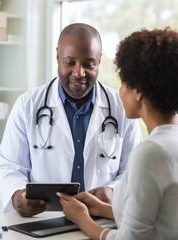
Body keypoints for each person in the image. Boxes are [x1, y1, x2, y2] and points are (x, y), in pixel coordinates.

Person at [0, 23, 142, 217]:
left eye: (89, 64)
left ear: (99, 60)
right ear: (57, 56)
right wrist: (16, 195)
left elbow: (133, 169)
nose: (78, 73)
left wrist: (112, 191)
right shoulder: (28, 105)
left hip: (100, 221)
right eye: (70, 62)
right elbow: (10, 165)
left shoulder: (122, 107)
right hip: (43, 220)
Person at [58, 27, 178, 240]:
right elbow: (156, 219)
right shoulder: (171, 142)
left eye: (123, 82)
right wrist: (101, 209)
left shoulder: (150, 153)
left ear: (139, 92)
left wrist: (82, 219)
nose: (119, 90)